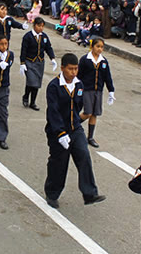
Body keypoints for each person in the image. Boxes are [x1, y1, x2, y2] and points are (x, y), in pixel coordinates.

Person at [44, 53, 106, 209]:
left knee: (84, 156)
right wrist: (60, 133)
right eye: (70, 69)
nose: (73, 72)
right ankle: (52, 194)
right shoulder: (54, 86)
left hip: (75, 129)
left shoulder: (79, 85)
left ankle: (90, 193)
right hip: (58, 131)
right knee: (59, 163)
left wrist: (80, 120)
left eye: (76, 69)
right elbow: (53, 112)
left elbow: (77, 107)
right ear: (63, 68)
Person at [78, 38, 115, 148]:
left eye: (102, 47)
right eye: (97, 46)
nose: (99, 49)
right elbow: (79, 75)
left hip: (98, 91)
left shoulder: (103, 61)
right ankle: (72, 124)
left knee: (95, 113)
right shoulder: (85, 59)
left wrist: (111, 90)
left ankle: (90, 137)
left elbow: (107, 77)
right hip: (87, 90)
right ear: (92, 47)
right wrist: (77, 87)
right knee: (88, 112)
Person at [20, 17, 56, 111]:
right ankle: (26, 96)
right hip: (30, 61)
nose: (41, 28)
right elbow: (24, 50)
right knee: (31, 81)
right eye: (39, 26)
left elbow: (48, 48)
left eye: (42, 26)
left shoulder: (44, 36)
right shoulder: (28, 36)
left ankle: (33, 102)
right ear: (34, 25)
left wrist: (52, 58)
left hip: (39, 62)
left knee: (37, 83)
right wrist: (22, 63)